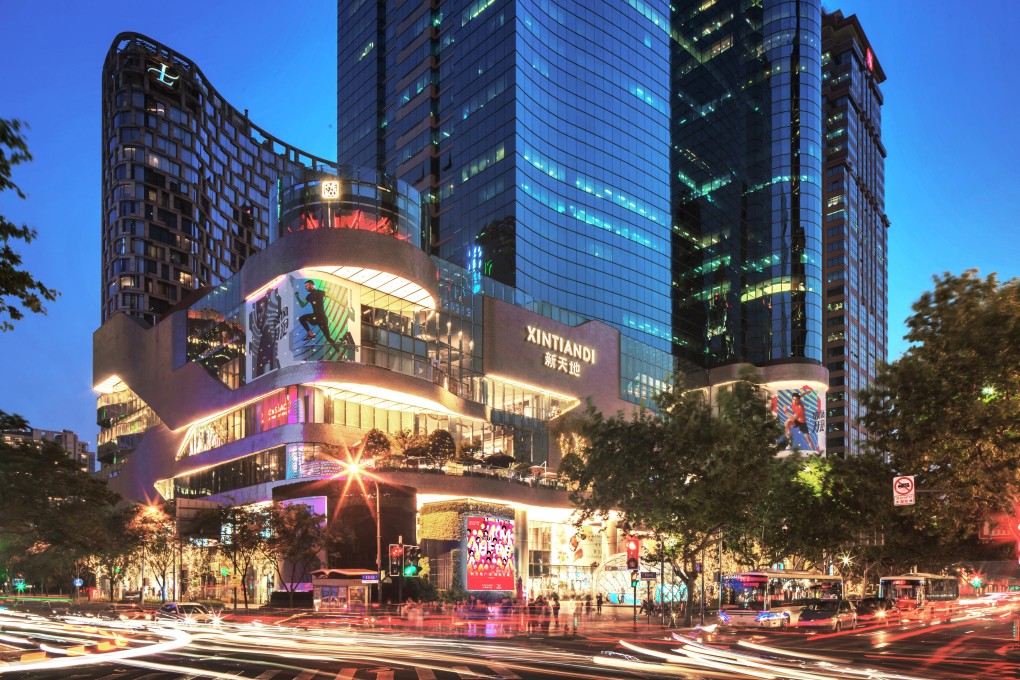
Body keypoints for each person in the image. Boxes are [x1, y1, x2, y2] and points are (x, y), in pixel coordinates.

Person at [295, 279, 355, 359]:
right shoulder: (309, 296)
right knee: (302, 318)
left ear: (312, 285)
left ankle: (339, 352)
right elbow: (302, 305)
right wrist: (297, 297)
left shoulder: (320, 292)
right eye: (305, 286)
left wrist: (342, 304)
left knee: (328, 338)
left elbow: (331, 296)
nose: (306, 287)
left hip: (322, 318)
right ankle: (311, 334)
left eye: (307, 285)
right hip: (315, 317)